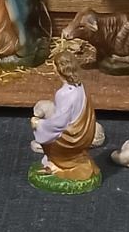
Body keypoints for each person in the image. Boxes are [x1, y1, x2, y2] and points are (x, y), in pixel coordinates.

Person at [29, 37, 101, 193]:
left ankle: (59, 164)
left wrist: (39, 124)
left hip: (72, 138)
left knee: (42, 130)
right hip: (83, 135)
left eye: (54, 66)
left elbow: (59, 123)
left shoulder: (64, 94)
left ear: (59, 69)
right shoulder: (80, 87)